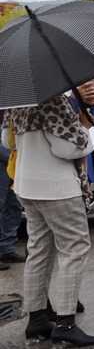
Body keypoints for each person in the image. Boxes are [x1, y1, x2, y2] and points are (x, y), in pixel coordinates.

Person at [7, 82, 94, 346]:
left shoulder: (17, 101)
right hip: (56, 188)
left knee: (39, 249)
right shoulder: (53, 100)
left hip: (26, 184)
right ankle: (65, 323)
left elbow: (7, 140)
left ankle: (36, 319)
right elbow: (71, 147)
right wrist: (84, 123)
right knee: (75, 248)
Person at [0, 111, 25, 270]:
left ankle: (6, 249)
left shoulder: (14, 96)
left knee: (13, 204)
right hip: (6, 157)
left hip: (14, 159)